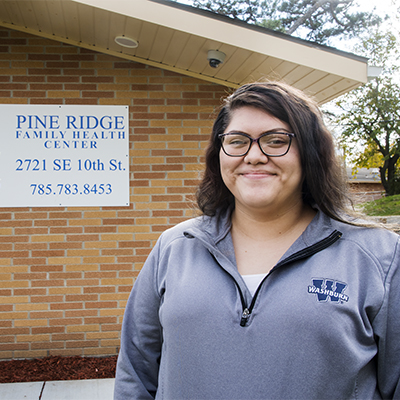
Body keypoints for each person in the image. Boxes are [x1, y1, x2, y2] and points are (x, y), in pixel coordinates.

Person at [114, 81, 400, 400]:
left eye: (276, 140)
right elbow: (135, 375)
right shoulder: (174, 247)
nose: (253, 156)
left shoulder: (379, 256)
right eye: (237, 141)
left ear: (310, 153)